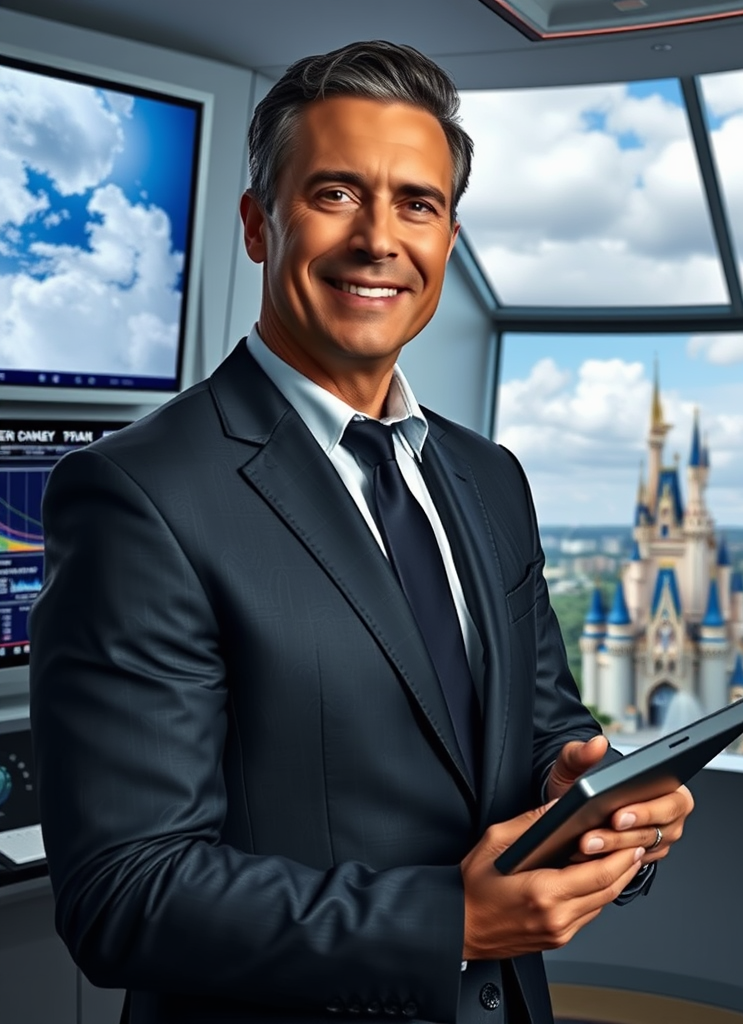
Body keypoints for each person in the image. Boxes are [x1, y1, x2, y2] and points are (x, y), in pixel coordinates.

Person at [29, 40, 693, 1024]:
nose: (379, 239)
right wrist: (450, 922)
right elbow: (124, 895)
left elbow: (541, 736)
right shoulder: (137, 493)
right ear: (258, 224)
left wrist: (598, 812)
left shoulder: (491, 478)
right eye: (335, 194)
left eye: (417, 204)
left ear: (449, 239)